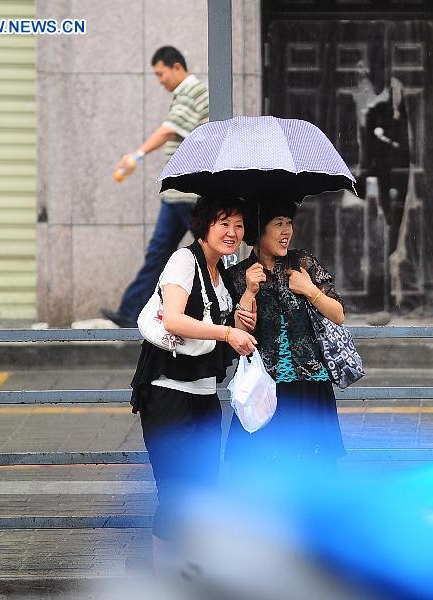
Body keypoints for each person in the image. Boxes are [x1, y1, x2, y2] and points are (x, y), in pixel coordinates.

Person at [129, 195, 256, 567]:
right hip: (167, 396)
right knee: (176, 494)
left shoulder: (224, 270)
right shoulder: (184, 261)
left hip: (204, 398)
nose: (232, 232)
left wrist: (248, 293)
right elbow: (173, 320)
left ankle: (191, 574)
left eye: (238, 225)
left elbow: (235, 325)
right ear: (204, 225)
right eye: (223, 223)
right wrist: (227, 334)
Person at [224, 200, 346, 475]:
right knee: (262, 470)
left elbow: (338, 313)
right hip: (265, 387)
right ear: (259, 231)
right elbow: (236, 337)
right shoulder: (238, 276)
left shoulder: (303, 263)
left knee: (317, 470)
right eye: (278, 224)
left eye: (288, 223)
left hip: (311, 383)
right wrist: (249, 292)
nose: (286, 231)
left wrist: (309, 289)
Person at [102, 45, 210, 327]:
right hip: (177, 194)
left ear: (177, 67)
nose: (159, 80)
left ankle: (222, 306)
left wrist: (136, 154)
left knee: (207, 252)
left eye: (161, 73)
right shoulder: (184, 92)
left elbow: (169, 129)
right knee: (160, 252)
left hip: (189, 192)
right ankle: (129, 312)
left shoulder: (192, 90)